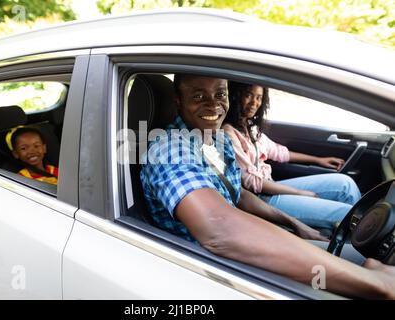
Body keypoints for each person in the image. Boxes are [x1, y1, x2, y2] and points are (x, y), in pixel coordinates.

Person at [140, 74, 395, 299]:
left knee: (358, 256)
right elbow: (220, 228)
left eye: (220, 94)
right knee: (363, 269)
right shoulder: (169, 150)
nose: (213, 104)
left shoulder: (215, 139)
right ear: (177, 101)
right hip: (214, 268)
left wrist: (295, 224)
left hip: (239, 247)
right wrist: (376, 283)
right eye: (198, 96)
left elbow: (237, 196)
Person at [222, 82, 361, 230]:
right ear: (236, 96)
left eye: (258, 97)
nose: (254, 103)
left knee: (345, 184)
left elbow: (279, 152)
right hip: (260, 199)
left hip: (270, 185)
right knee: (346, 214)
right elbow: (252, 182)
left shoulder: (250, 127)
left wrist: (318, 160)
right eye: (248, 95)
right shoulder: (228, 132)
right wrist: (300, 193)